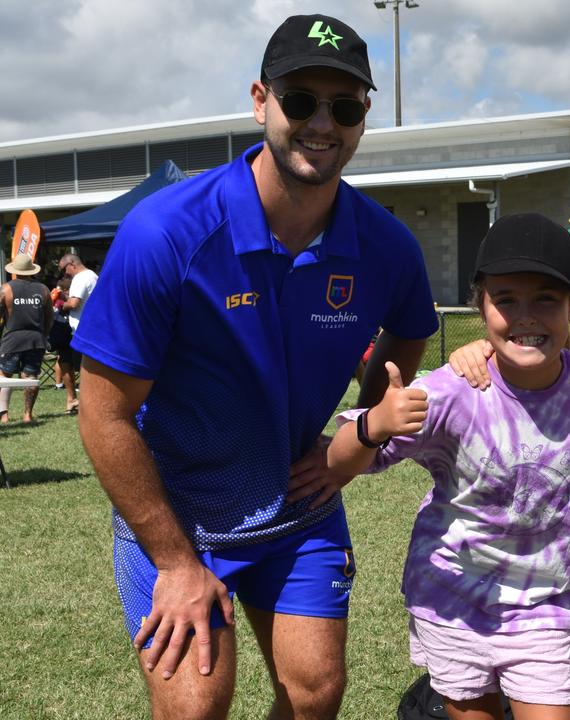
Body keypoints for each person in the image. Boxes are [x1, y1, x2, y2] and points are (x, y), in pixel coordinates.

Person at [72, 14, 436, 720]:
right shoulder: (166, 233)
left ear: (364, 115)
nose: (322, 122)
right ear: (260, 99)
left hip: (297, 508)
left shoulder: (387, 246)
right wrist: (177, 563)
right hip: (180, 517)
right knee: (197, 705)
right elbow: (103, 413)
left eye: (346, 105)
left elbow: (408, 338)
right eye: (300, 100)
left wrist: (349, 446)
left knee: (316, 694)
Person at [328, 213, 570, 720]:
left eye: (546, 298)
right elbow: (342, 460)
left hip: (545, 607)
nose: (526, 316)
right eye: (506, 300)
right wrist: (376, 422)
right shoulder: (453, 392)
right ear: (481, 306)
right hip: (452, 601)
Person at [0, 253, 52, 424]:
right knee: (30, 376)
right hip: (36, 339)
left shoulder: (6, 288)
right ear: (31, 269)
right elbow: (49, 317)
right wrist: (43, 335)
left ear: (15, 270)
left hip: (12, 339)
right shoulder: (43, 289)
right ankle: (28, 414)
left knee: (4, 376)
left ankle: (4, 415)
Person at [57, 253, 97, 414]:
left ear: (72, 265)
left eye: (63, 270)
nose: (64, 274)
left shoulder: (80, 278)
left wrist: (60, 304)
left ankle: (88, 405)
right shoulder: (93, 276)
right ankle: (78, 401)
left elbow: (73, 304)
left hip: (81, 331)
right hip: (91, 329)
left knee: (84, 371)